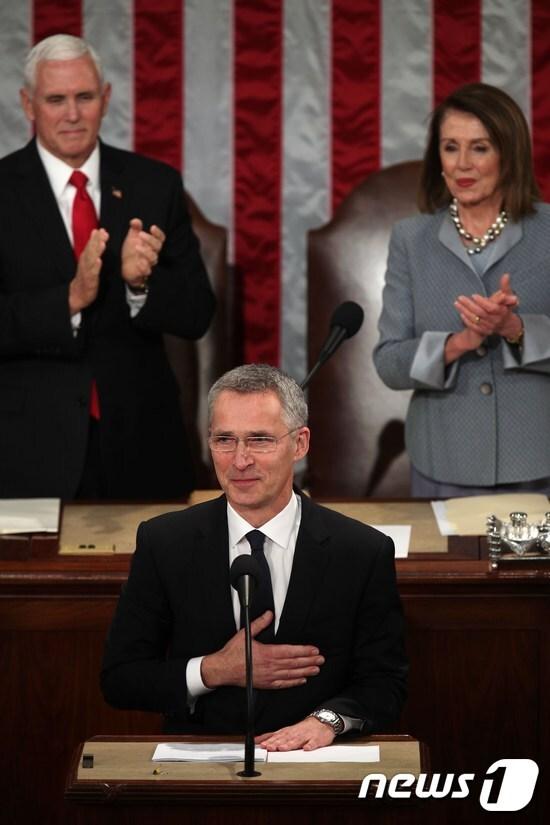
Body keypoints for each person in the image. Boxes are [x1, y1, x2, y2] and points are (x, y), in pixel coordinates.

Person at [101, 364, 407, 751]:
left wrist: (327, 722)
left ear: (300, 444)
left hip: (317, 767)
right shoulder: (164, 542)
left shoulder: (361, 550)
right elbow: (120, 679)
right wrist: (214, 670)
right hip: (200, 772)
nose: (240, 460)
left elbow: (385, 682)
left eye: (259, 440)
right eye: (224, 440)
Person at [0, 34, 215, 500]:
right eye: (56, 99)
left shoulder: (154, 184)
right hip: (28, 454)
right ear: (28, 104)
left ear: (106, 97)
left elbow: (198, 313)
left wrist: (141, 285)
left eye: (85, 97)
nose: (72, 114)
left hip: (142, 447)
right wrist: (69, 300)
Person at [373, 82, 550, 498]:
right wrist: (458, 342)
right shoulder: (410, 239)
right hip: (443, 463)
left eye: (480, 148)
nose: (463, 164)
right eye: (451, 147)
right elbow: (389, 361)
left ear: (510, 155)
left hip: (538, 461)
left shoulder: (548, 232)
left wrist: (514, 328)